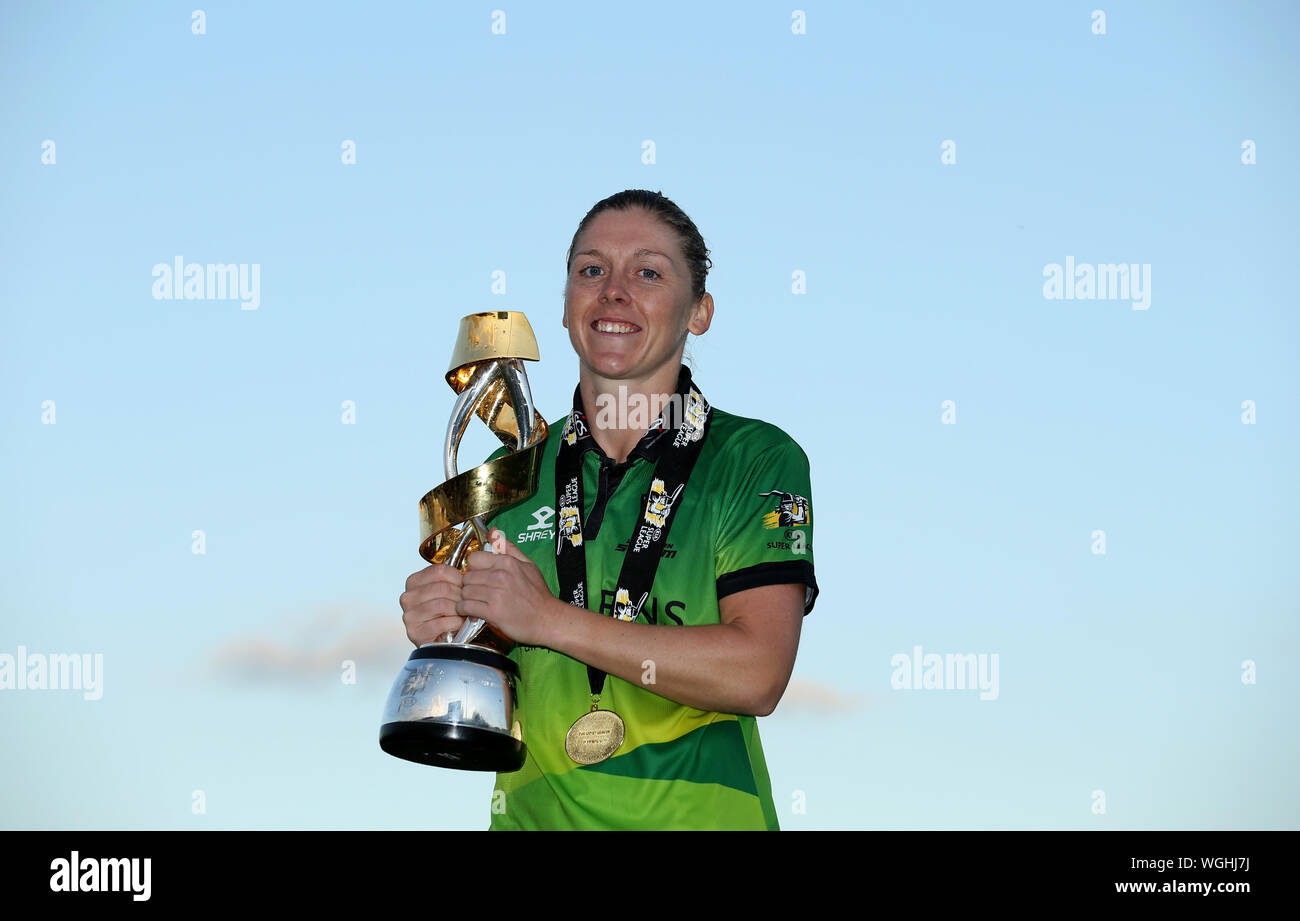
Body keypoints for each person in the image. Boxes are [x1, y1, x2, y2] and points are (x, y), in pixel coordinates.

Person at [399, 190, 818, 830]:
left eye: (648, 272)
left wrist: (547, 618)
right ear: (566, 309)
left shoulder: (753, 459)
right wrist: (453, 633)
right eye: (591, 270)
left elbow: (758, 672)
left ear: (699, 312)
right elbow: (508, 676)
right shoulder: (513, 474)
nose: (614, 291)